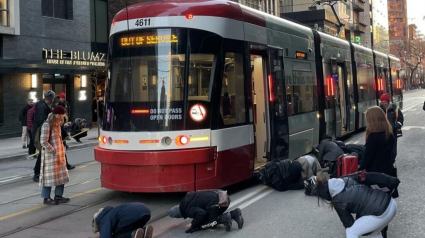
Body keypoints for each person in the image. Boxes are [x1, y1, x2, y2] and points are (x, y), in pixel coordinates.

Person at [315, 173, 397, 238]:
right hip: (391, 203)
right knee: (374, 234)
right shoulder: (347, 179)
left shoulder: (338, 200)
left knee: (351, 232)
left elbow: (349, 223)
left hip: (380, 213)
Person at [167, 190, 244, 233]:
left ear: (179, 215)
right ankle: (235, 213)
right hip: (223, 197)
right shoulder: (187, 199)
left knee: (204, 221)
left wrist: (193, 226)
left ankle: (224, 218)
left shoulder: (187, 210)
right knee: (206, 214)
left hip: (218, 203)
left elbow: (201, 213)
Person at [39, 106, 70, 205]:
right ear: (54, 114)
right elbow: (43, 141)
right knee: (49, 178)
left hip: (59, 155)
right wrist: (53, 150)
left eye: (63, 115)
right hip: (51, 156)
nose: (61, 117)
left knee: (61, 176)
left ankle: (58, 196)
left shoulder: (58, 124)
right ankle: (46, 198)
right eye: (60, 115)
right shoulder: (47, 125)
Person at [360, 106, 395, 177]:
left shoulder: (373, 136)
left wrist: (360, 169)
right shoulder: (389, 134)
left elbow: (368, 157)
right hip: (388, 170)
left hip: (375, 172)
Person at [32, 90, 55, 182]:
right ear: (51, 99)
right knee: (43, 153)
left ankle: (39, 171)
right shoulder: (42, 107)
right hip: (41, 132)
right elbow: (41, 120)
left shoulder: (42, 105)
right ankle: (37, 172)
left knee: (44, 153)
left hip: (41, 132)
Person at [378, 93, 403, 164]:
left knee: (393, 150)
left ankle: (391, 162)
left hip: (393, 132)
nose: (383, 104)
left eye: (385, 102)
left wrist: (396, 125)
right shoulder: (379, 109)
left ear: (388, 102)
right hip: (382, 132)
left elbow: (400, 119)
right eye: (382, 102)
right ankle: (386, 163)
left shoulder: (394, 108)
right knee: (384, 149)